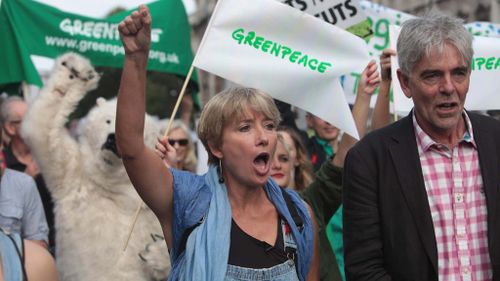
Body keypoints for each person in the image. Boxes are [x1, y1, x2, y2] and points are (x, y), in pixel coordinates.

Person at [116, 5, 319, 281]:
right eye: (246, 128)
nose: (263, 137)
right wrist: (136, 58)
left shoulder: (299, 216)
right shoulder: (186, 202)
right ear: (216, 147)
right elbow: (130, 148)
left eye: (269, 126)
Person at [343, 13, 500, 280]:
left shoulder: (496, 140)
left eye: (458, 73)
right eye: (433, 76)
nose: (448, 87)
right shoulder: (369, 160)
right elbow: (364, 269)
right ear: (405, 83)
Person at [0, 97, 55, 251]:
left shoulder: (51, 157)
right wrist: (26, 177)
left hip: (57, 247)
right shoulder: (4, 166)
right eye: (30, 118)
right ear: (10, 128)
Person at [276, 126, 314, 191]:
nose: (277, 164)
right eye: (275, 149)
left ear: (298, 158)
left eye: (287, 148)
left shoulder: (311, 194)